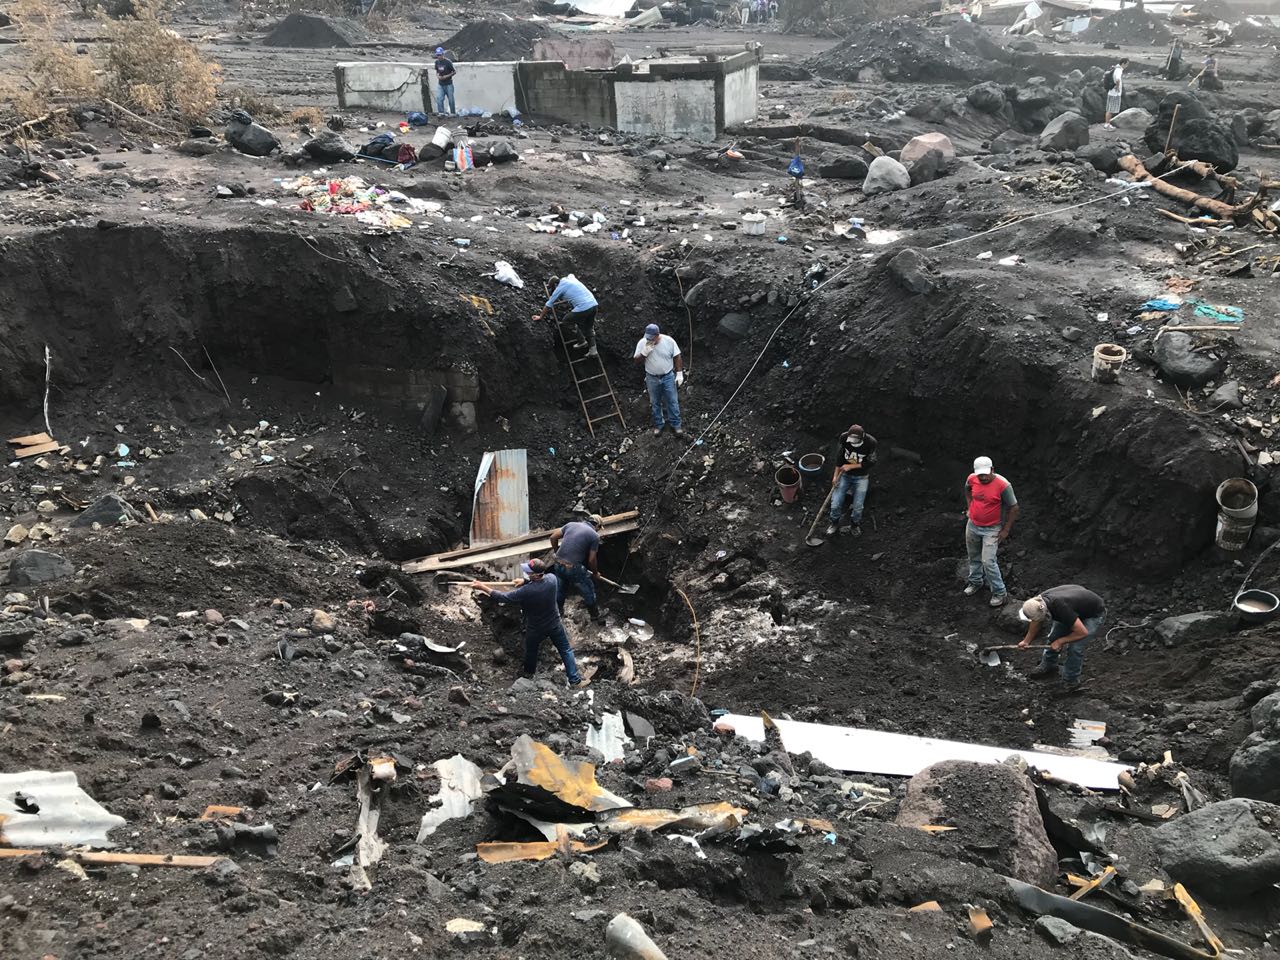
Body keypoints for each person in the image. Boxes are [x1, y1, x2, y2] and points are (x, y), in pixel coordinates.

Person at [471, 560, 589, 689]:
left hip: (536, 627)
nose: (526, 572)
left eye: (529, 572)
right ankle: (575, 681)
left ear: (535, 575)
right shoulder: (552, 579)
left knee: (532, 651)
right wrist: (525, 581)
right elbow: (537, 582)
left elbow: (503, 597)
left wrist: (482, 586)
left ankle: (528, 674)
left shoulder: (527, 591)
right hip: (554, 623)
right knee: (565, 650)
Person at [1018, 585, 1106, 693]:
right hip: (1075, 607)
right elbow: (1036, 621)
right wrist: (1027, 641)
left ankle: (1071, 681)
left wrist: (1061, 641)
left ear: (1045, 612)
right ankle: (1048, 665)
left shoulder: (1062, 608)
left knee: (1075, 648)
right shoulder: (1037, 602)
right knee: (1053, 637)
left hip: (1093, 614)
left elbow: (1082, 632)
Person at [963, 456, 1019, 607]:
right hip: (973, 525)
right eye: (980, 474)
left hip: (991, 528)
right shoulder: (972, 478)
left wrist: (1006, 529)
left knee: (988, 561)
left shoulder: (1003, 485)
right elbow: (968, 490)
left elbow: (1014, 507)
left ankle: (1000, 593)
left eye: (985, 474)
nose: (982, 477)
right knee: (973, 555)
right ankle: (976, 582)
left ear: (992, 470)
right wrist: (969, 507)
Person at [550, 514, 605, 623]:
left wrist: (557, 552)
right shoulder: (594, 536)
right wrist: (595, 572)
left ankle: (558, 613)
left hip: (558, 564)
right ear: (597, 526)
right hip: (573, 568)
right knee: (588, 588)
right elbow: (591, 560)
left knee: (560, 589)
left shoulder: (571, 525)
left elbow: (553, 537)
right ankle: (595, 616)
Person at [826, 424, 877, 537]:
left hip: (861, 477)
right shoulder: (844, 438)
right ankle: (834, 523)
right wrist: (835, 476)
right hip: (844, 475)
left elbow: (872, 462)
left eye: (855, 441)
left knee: (858, 506)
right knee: (836, 503)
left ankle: (854, 525)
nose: (852, 442)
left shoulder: (871, 442)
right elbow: (839, 458)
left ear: (862, 438)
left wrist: (852, 466)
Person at [633, 323, 684, 437]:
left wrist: (679, 373)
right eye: (648, 338)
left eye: (652, 338)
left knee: (672, 400)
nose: (649, 340)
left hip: (667, 376)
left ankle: (676, 425)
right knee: (655, 402)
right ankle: (658, 425)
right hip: (652, 377)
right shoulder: (643, 343)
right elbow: (636, 361)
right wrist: (644, 353)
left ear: (657, 335)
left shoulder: (668, 341)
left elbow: (677, 356)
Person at [534, 274, 599, 357]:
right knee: (588, 327)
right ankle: (591, 349)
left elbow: (549, 304)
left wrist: (540, 316)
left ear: (555, 285)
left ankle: (582, 339)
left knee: (566, 320)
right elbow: (571, 274)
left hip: (583, 308)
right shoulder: (570, 279)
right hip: (594, 305)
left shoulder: (560, 288)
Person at [1103, 57, 1127, 129]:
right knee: (1111, 109)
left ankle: (1107, 123)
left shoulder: (1115, 69)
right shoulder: (1119, 70)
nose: (1127, 66)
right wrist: (1117, 86)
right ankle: (1107, 124)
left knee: (1109, 109)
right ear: (1123, 63)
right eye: (1126, 64)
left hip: (1111, 92)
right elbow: (1118, 79)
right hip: (1114, 93)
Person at [433, 47, 456, 116]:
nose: (439, 56)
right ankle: (441, 112)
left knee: (451, 99)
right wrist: (438, 76)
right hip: (440, 84)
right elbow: (437, 71)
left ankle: (452, 113)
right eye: (438, 55)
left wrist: (447, 76)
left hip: (448, 83)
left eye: (440, 55)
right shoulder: (436, 62)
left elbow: (454, 72)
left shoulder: (448, 62)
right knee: (439, 98)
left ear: (443, 54)